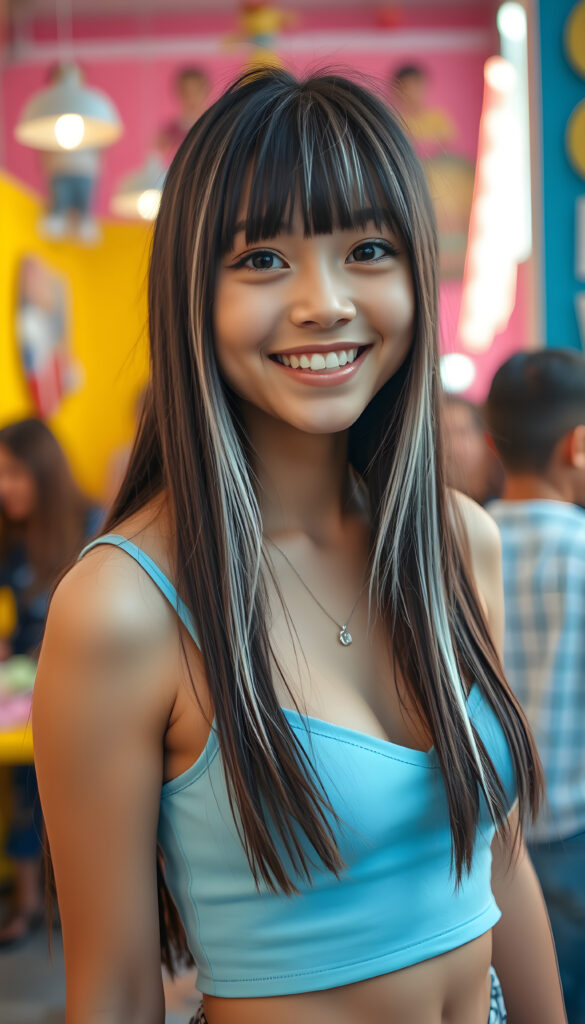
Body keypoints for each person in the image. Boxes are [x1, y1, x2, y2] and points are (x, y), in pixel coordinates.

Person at [33, 69, 563, 1024]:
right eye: (262, 260)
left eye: (365, 248)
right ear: (191, 294)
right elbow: (112, 993)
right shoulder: (124, 609)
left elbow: (498, 868)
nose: (324, 302)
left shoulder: (455, 541)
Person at [486, 350, 585, 1024]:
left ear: (492, 442)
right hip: (575, 838)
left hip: (482, 844)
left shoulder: (453, 545)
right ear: (576, 447)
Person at [0, 418, 101, 946]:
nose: (4, 487)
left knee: (76, 796)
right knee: (24, 790)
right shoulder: (14, 536)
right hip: (23, 691)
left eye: (13, 473)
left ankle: (76, 903)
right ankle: (30, 906)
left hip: (80, 684)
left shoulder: (92, 524)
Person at [442, 394, 504, 506]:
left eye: (462, 433)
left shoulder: (501, 506)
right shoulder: (431, 510)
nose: (453, 446)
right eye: (444, 435)